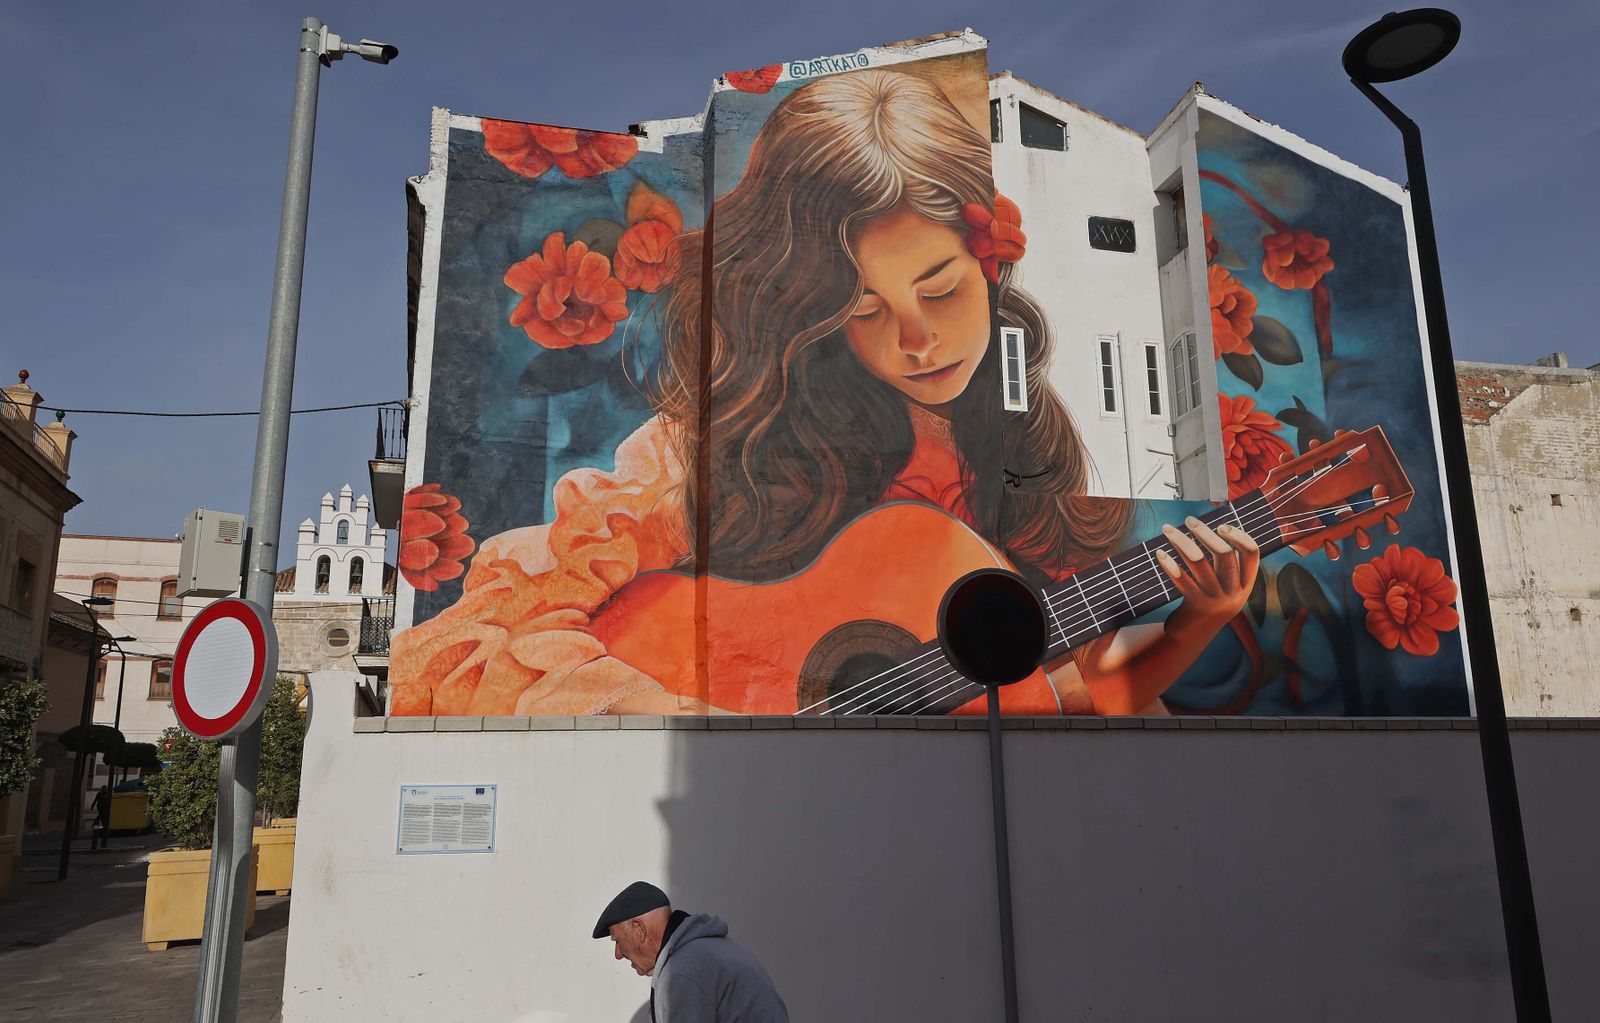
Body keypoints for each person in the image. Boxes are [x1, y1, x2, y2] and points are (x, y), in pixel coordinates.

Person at [390, 68, 1258, 717]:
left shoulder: (1027, 450)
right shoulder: (716, 444)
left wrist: (1199, 620)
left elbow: (1059, 698)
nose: (915, 340)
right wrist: (728, 748)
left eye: (941, 288)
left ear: (992, 266)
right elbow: (484, 645)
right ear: (814, 313)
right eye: (864, 308)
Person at [594, 881, 788, 1023]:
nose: (618, 954)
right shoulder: (709, 950)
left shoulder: (682, 970)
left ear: (639, 929)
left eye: (617, 941)